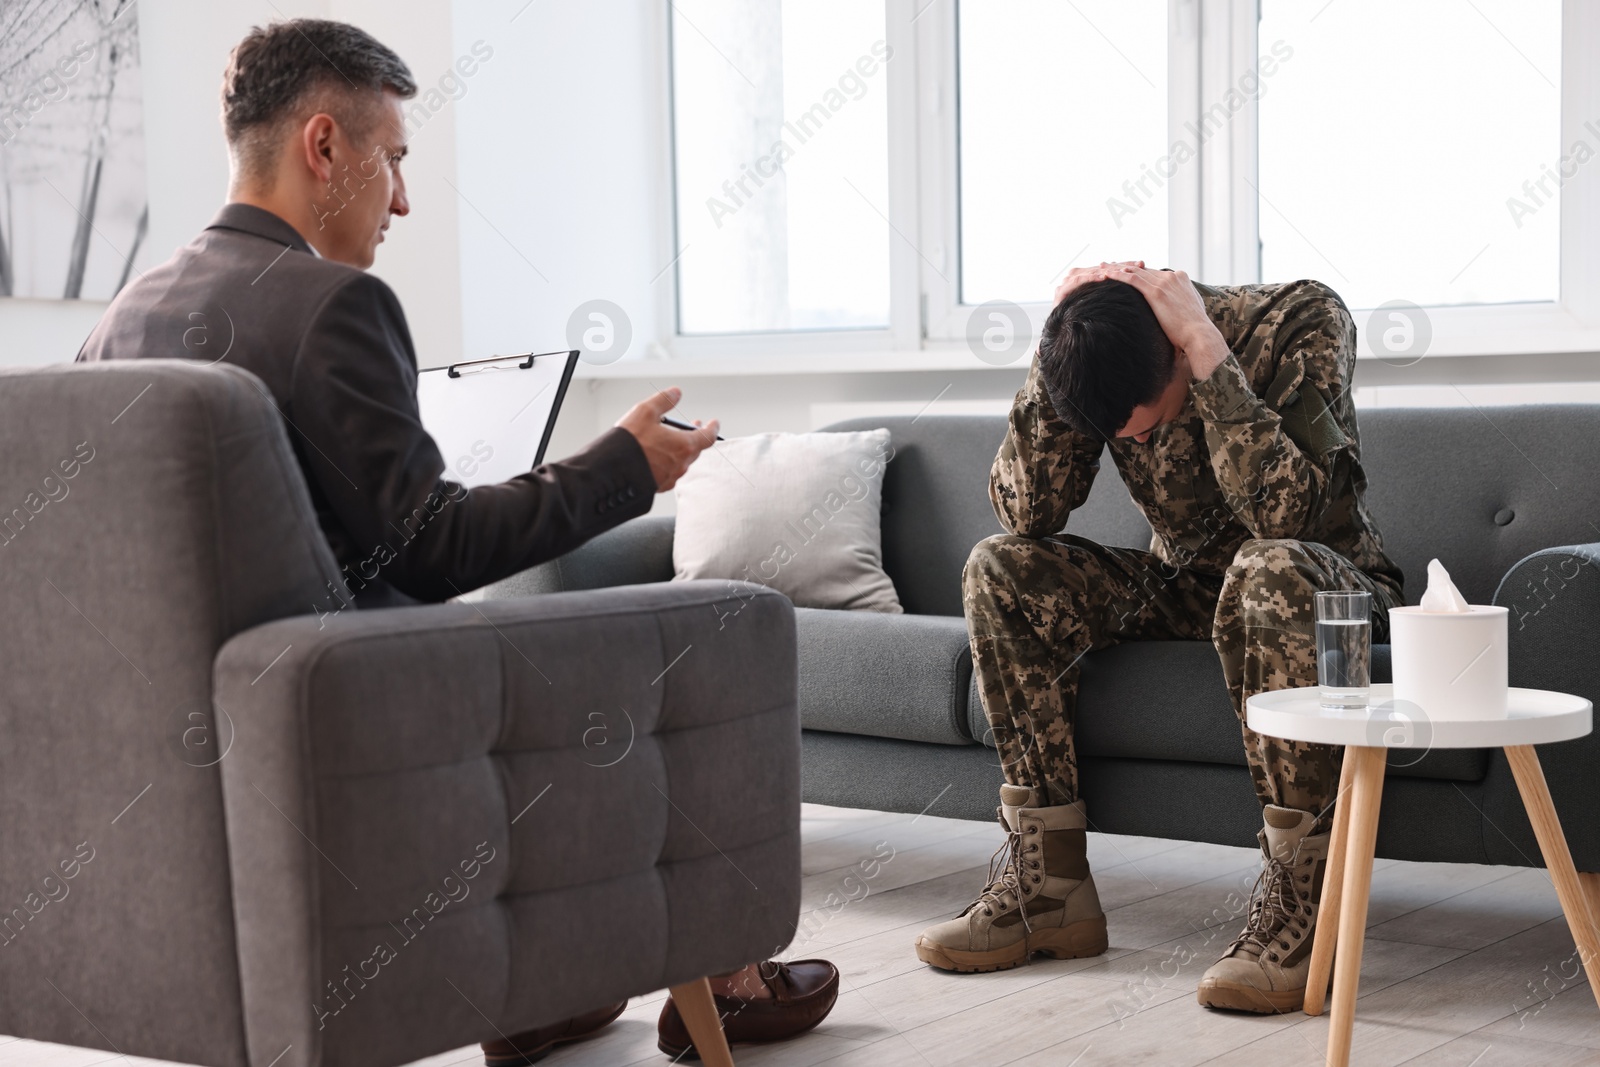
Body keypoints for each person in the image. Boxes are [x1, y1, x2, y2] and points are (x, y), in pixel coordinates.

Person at [77, 18, 838, 1062]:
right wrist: (625, 463)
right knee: (711, 630)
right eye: (392, 158)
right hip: (349, 722)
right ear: (322, 146)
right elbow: (432, 550)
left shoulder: (121, 319)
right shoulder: (331, 306)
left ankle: (531, 985)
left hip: (191, 738)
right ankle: (725, 969)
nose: (401, 199)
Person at [914, 261, 1403, 1015]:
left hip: (1325, 587)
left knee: (1264, 565)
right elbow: (1027, 511)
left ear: (1175, 351)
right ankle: (1050, 890)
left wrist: (1209, 354)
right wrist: (1057, 354)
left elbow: (1291, 516)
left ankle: (1308, 908)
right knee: (1000, 568)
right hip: (1186, 589)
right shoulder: (1107, 362)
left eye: (1145, 423)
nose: (1131, 443)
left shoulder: (1302, 318)